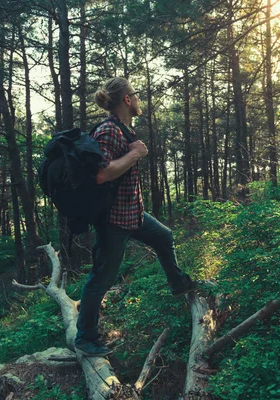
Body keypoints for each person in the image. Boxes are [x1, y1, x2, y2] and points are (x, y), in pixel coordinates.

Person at [75, 77, 197, 357]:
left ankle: (178, 283)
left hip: (133, 213)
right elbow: (101, 174)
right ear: (127, 100)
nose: (139, 99)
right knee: (102, 279)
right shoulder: (108, 131)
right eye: (136, 94)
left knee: (164, 236)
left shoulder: (123, 129)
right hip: (113, 220)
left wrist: (133, 152)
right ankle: (85, 338)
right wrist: (136, 154)